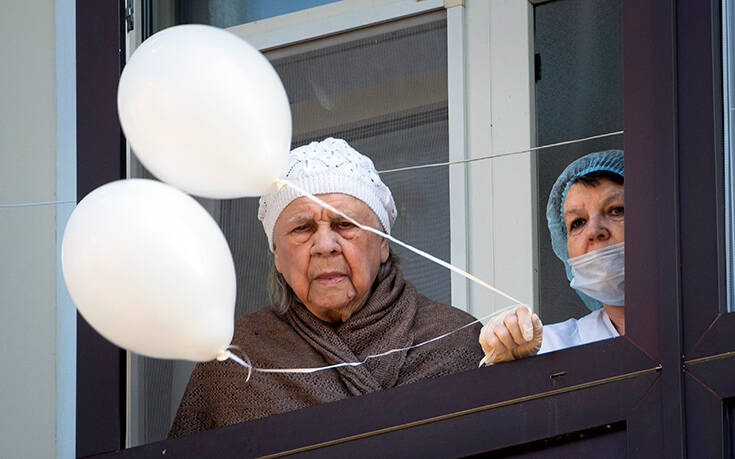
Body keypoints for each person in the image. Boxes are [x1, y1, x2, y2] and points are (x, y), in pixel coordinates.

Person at [169, 138, 484, 437]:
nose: (324, 245)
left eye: (345, 224)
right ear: (277, 256)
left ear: (384, 245)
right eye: (302, 228)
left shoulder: (456, 340)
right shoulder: (236, 362)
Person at [478, 150, 624, 365]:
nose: (594, 231)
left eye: (616, 210)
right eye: (578, 222)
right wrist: (513, 374)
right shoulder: (553, 348)